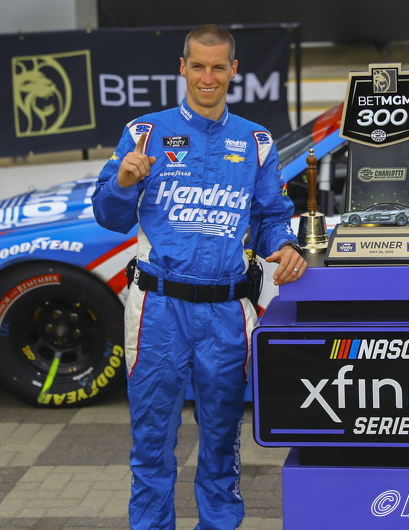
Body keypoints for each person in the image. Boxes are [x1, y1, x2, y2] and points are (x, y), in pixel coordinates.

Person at [92, 24, 306, 529]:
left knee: (221, 445)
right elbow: (108, 215)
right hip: (158, 309)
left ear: (234, 71)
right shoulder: (145, 131)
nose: (207, 77)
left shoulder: (255, 140)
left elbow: (272, 216)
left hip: (228, 312)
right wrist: (123, 181)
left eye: (218, 67)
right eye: (197, 66)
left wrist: (286, 246)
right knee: (151, 444)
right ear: (182, 68)